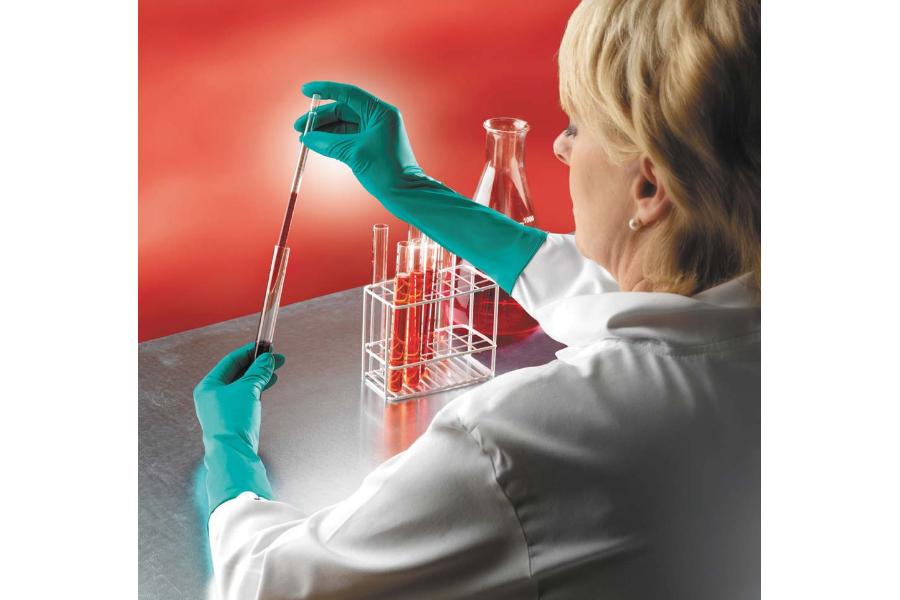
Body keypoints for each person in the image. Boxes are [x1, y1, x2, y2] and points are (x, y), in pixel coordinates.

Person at [192, 0, 760, 597]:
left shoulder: (516, 442)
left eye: (577, 126)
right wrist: (410, 189)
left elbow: (269, 586)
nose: (561, 148)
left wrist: (230, 459)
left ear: (647, 186)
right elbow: (613, 290)